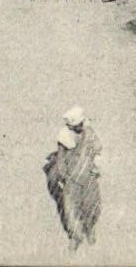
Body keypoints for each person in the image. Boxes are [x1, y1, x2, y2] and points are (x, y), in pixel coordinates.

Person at [43, 106, 102, 250]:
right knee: (70, 209)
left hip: (88, 175)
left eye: (80, 124)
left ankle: (90, 229)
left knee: (91, 205)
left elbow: (98, 149)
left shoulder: (89, 132)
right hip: (72, 177)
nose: (79, 128)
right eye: (76, 126)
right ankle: (75, 236)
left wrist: (98, 167)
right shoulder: (64, 136)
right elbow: (61, 159)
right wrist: (63, 176)